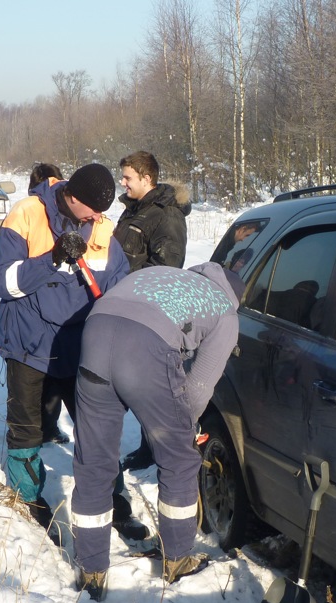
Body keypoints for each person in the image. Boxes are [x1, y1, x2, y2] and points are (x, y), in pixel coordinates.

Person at [0, 162, 149, 543]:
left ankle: (114, 500)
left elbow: (118, 283)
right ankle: (28, 502)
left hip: (81, 346)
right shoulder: (27, 215)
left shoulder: (103, 227)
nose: (98, 217)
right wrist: (52, 258)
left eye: (102, 212)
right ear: (72, 197)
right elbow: (2, 283)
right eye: (93, 209)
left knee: (98, 428)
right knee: (27, 428)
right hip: (29, 343)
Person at [70, 262, 244, 601]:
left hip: (95, 331)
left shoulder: (164, 274)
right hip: (143, 348)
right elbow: (199, 388)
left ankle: (91, 572)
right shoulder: (225, 313)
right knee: (179, 460)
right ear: (235, 298)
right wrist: (181, 428)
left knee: (93, 462)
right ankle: (177, 560)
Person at [112, 151, 192, 473]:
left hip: (146, 314)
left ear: (147, 179)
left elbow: (167, 269)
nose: (123, 182)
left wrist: (123, 282)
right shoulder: (133, 210)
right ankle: (148, 445)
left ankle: (157, 449)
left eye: (128, 177)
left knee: (149, 387)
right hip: (123, 307)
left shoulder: (166, 216)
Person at [24, 161, 72, 447]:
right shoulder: (29, 214)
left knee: (51, 374)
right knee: (38, 376)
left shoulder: (62, 215)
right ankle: (35, 430)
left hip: (55, 304)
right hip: (38, 302)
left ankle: (46, 426)